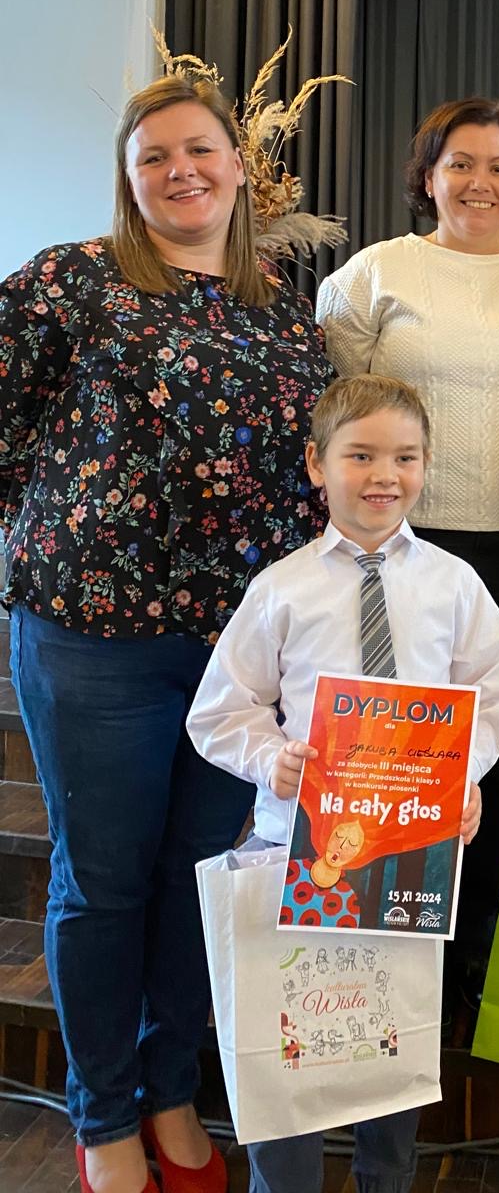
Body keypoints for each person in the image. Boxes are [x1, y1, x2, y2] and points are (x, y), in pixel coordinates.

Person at [0, 67, 333, 1193]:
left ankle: (171, 1092)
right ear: (128, 177)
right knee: (104, 883)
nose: (181, 171)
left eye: (200, 150)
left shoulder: (286, 314)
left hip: (237, 660)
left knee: (202, 882)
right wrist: (44, 530)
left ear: (240, 167)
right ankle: (102, 1117)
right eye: (155, 157)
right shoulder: (70, 282)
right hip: (96, 643)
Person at [186, 374, 499, 1193]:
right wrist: (271, 758)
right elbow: (219, 712)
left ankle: (386, 1178)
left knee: (390, 1055)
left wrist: (461, 776)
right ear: (316, 464)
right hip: (295, 855)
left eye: (405, 457)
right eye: (361, 455)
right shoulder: (281, 589)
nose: (384, 475)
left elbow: (493, 691)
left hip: (410, 858)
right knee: (289, 1056)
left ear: (426, 464)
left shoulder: (453, 584)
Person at [316, 98, 499, 1003]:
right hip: (402, 542)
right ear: (428, 176)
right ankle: (378, 941)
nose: (479, 182)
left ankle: (470, 956)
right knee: (394, 746)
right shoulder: (376, 273)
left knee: (492, 747)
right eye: (460, 163)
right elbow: (340, 405)